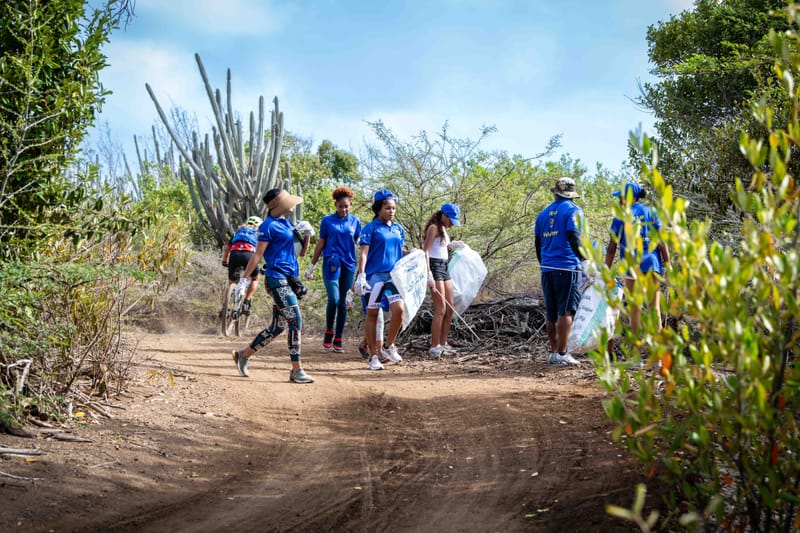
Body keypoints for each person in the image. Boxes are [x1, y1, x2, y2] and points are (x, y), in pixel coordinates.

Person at [231, 188, 313, 384]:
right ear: (279, 205)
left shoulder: (287, 224)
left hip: (291, 279)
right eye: (289, 202)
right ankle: (296, 370)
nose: (293, 205)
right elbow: (257, 255)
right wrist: (244, 279)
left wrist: (308, 235)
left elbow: (300, 253)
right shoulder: (267, 226)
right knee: (296, 320)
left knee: (278, 326)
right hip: (276, 278)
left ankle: (243, 355)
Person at [533, 177, 590, 366]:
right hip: (566, 266)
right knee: (566, 311)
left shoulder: (542, 214)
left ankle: (554, 352)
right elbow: (574, 237)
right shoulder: (574, 210)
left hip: (548, 268)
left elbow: (538, 244)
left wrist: (545, 264)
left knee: (551, 311)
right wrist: (585, 260)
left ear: (555, 192)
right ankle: (563, 353)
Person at [604, 182, 670, 338]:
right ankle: (658, 357)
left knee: (635, 308)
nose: (619, 200)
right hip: (652, 263)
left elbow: (612, 248)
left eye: (621, 197)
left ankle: (636, 354)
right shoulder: (651, 212)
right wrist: (668, 264)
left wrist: (605, 269)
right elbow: (661, 240)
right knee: (655, 308)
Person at [304, 186, 362, 353]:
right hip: (331, 263)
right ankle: (329, 331)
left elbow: (360, 243)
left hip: (349, 264)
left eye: (346, 206)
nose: (343, 209)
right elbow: (321, 243)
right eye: (340, 206)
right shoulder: (327, 221)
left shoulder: (355, 221)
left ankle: (338, 338)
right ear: (335, 205)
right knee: (334, 299)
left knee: (344, 303)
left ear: (350, 205)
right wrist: (311, 266)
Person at [354, 189, 406, 371]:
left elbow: (400, 251)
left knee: (399, 311)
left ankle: (389, 346)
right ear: (378, 209)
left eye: (393, 208)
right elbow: (364, 254)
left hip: (392, 278)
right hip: (374, 278)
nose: (391, 211)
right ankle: (373, 356)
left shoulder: (398, 229)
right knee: (373, 315)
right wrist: (361, 274)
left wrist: (414, 254)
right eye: (387, 208)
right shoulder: (371, 228)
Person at [422, 203, 462, 358]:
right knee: (441, 309)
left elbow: (441, 247)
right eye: (450, 220)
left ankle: (444, 343)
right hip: (434, 266)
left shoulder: (444, 229)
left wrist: (453, 245)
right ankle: (434, 345)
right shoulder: (434, 228)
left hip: (445, 267)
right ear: (443, 216)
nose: (452, 223)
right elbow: (426, 251)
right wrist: (428, 273)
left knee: (450, 308)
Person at [221, 215, 262, 316]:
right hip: (249, 256)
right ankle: (246, 303)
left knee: (231, 283)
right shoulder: (259, 234)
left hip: (235, 255)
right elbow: (261, 251)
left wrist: (224, 260)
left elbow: (227, 248)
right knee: (255, 279)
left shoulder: (237, 232)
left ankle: (224, 307)